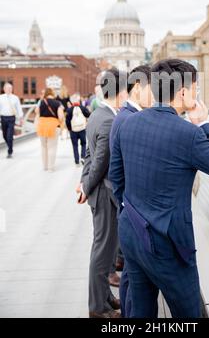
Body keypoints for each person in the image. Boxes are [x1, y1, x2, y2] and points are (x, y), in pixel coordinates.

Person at [109, 59, 209, 318]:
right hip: (169, 246)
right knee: (188, 314)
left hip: (132, 232)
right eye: (196, 89)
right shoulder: (189, 134)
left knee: (140, 310)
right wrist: (203, 124)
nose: (197, 94)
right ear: (183, 93)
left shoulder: (127, 123)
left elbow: (117, 179)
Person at [76, 68, 128, 319]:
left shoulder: (97, 114)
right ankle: (98, 307)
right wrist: (86, 185)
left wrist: (83, 182)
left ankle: (105, 298)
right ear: (119, 93)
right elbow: (99, 162)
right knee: (102, 252)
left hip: (98, 192)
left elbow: (88, 155)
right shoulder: (108, 120)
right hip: (105, 195)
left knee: (105, 250)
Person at [109, 64, 153, 317]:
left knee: (129, 273)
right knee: (134, 280)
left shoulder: (124, 115)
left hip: (129, 210)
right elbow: (117, 173)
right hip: (133, 212)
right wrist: (128, 206)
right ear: (137, 87)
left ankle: (125, 313)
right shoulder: (128, 119)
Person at [36, 88, 64, 172]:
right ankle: (50, 168)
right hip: (53, 126)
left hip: (42, 126)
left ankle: (45, 166)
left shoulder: (41, 102)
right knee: (52, 147)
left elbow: (36, 111)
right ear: (52, 93)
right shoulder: (57, 103)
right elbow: (61, 116)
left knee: (43, 147)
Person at [0, 83, 24, 158]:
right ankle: (10, 144)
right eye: (7, 88)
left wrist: (21, 118)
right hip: (3, 118)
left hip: (11, 118)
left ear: (12, 89)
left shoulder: (15, 98)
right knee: (4, 135)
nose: (9, 90)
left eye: (10, 88)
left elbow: (19, 108)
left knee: (9, 135)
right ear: (4, 89)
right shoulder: (1, 97)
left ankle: (10, 151)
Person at [65, 93, 90, 166]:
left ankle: (76, 161)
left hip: (73, 130)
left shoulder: (69, 110)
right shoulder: (82, 108)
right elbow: (88, 114)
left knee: (75, 145)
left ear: (72, 101)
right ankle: (83, 157)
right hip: (82, 129)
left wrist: (70, 128)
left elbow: (67, 121)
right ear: (79, 100)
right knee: (83, 144)